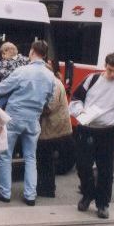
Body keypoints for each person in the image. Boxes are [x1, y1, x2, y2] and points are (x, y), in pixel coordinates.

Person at [0, 40, 54, 206]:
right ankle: (30, 196)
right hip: (33, 120)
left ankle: (5, 193)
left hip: (14, 117)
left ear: (32, 52)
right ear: (45, 54)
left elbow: (1, 89)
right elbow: (50, 99)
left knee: (5, 155)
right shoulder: (50, 75)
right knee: (31, 158)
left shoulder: (22, 71)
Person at [70, 52, 114, 219]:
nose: (113, 74)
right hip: (87, 127)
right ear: (105, 66)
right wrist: (80, 111)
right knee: (82, 165)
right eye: (110, 70)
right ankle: (88, 194)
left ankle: (102, 204)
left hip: (109, 131)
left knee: (106, 169)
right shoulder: (91, 79)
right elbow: (76, 99)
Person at [36, 59, 72, 198]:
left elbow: (50, 106)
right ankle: (46, 188)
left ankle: (47, 189)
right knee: (46, 158)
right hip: (54, 127)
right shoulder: (53, 81)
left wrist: (33, 108)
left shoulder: (54, 84)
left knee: (45, 158)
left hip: (53, 128)